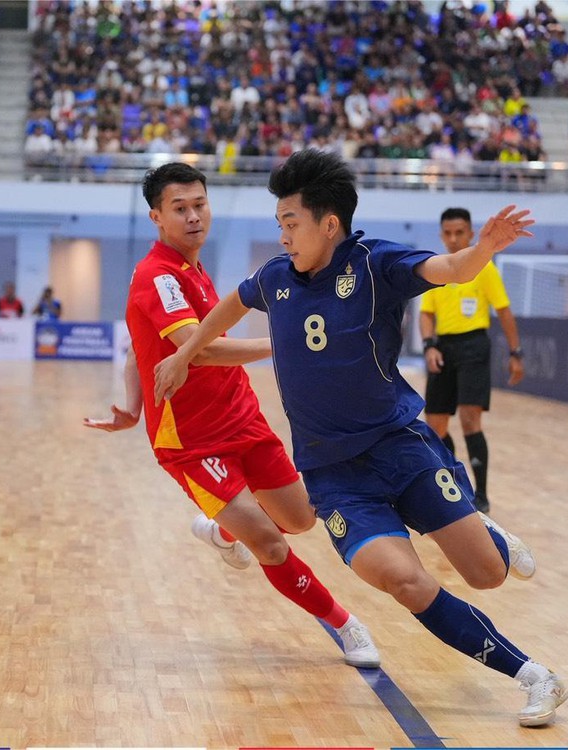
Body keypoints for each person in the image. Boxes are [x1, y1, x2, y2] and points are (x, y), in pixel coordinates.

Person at [154, 150, 568, 728]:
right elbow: (227, 309)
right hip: (334, 478)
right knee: (402, 579)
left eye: (291, 223)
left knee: (487, 574)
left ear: (329, 224)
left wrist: (482, 250)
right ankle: (534, 676)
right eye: (279, 224)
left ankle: (489, 532)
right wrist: (185, 353)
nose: (283, 236)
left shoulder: (376, 264)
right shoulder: (276, 277)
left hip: (400, 447)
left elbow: (448, 270)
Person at [84, 162, 379, 668]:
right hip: (192, 442)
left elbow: (140, 347)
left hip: (242, 417)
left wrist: (131, 406)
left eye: (200, 204)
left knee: (301, 518)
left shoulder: (192, 269)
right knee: (268, 543)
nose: (194, 216)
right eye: (180, 209)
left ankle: (222, 531)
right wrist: (284, 345)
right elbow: (196, 351)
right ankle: (344, 625)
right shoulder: (158, 276)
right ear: (157, 216)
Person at [418, 208, 525, 514]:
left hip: (474, 346)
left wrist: (516, 353)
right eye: (448, 233)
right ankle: (455, 484)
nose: (453, 239)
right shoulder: (436, 269)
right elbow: (427, 314)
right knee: (435, 425)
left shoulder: (485, 268)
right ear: (442, 235)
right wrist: (429, 346)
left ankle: (481, 494)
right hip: (443, 348)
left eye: (459, 232)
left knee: (469, 420)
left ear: (470, 233)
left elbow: (503, 311)